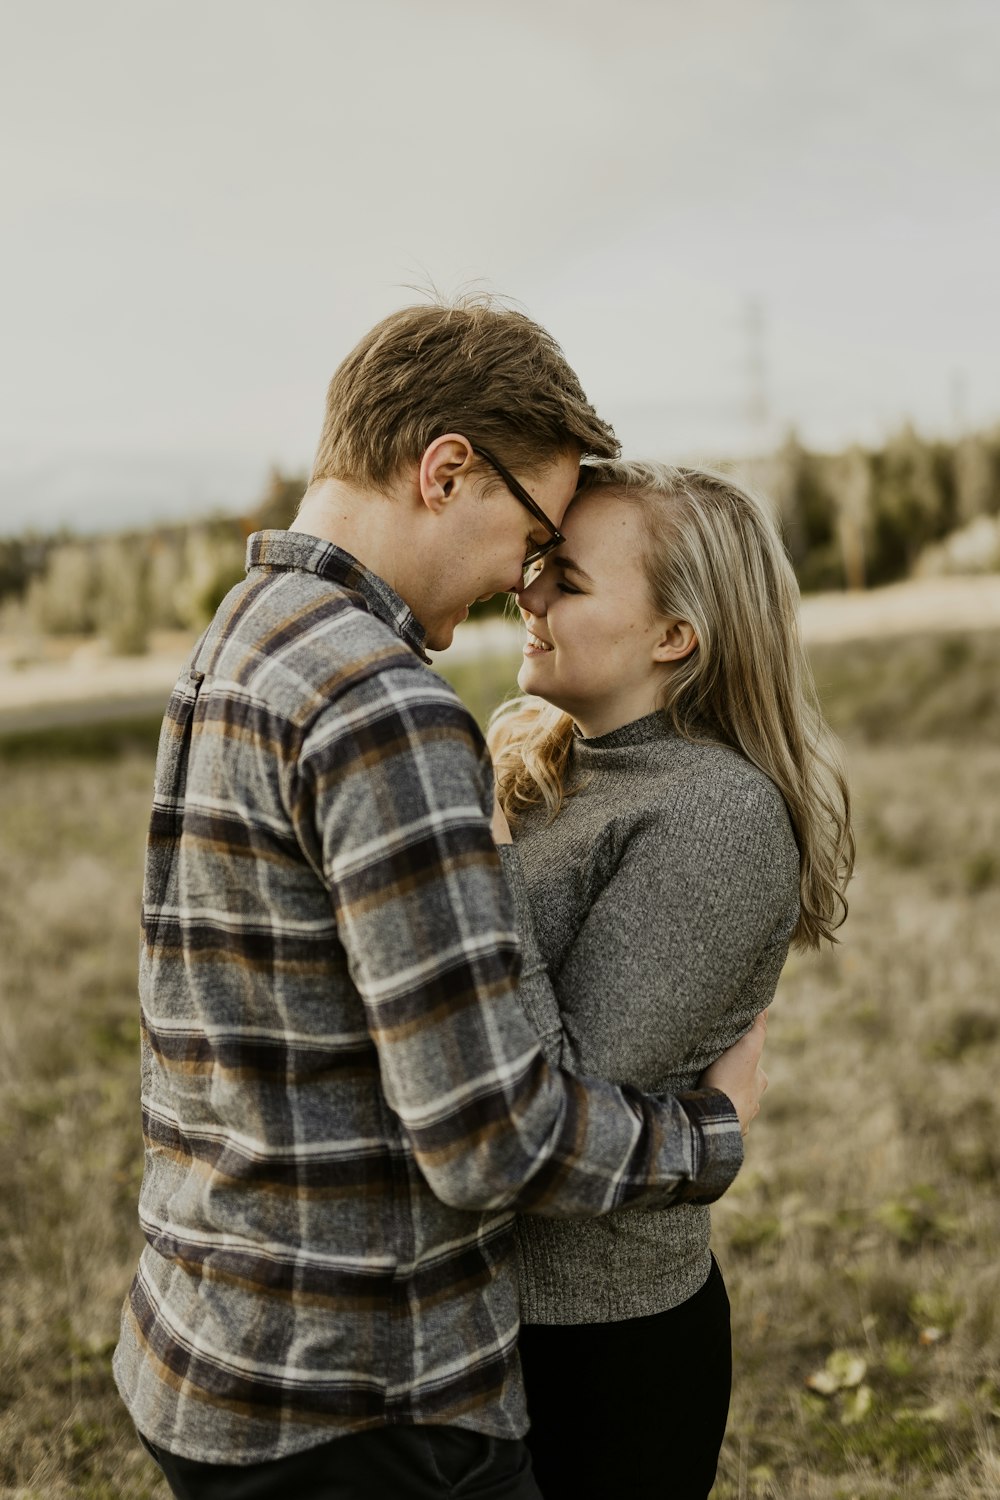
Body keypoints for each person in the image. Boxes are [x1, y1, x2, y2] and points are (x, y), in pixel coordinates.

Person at [112, 301, 769, 1500]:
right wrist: (708, 1135)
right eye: (532, 538)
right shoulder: (385, 705)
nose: (523, 580)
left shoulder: (241, 637)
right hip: (361, 1392)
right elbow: (487, 1138)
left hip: (203, 1346)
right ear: (446, 471)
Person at [487, 459, 855, 1499]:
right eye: (536, 564)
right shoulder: (553, 758)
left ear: (673, 636)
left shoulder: (714, 815)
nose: (528, 590)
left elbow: (553, 1119)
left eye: (567, 575)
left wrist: (463, 857)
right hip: (485, 1325)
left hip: (597, 1350)